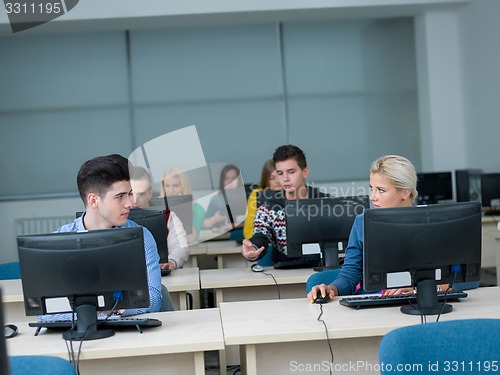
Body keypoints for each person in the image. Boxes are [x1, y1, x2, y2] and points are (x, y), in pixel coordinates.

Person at [307, 155, 479, 303]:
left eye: (381, 190)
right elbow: (350, 276)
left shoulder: (438, 222)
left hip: (426, 302)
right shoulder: (362, 223)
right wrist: (331, 289)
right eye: (372, 189)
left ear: (405, 193)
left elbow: (468, 278)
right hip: (376, 307)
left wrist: (427, 287)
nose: (373, 197)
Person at [54, 154, 171, 315]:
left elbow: (154, 299)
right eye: (120, 196)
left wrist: (108, 309)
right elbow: (47, 312)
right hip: (81, 336)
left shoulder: (142, 237)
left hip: (132, 334)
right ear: (93, 200)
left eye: (130, 194)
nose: (130, 203)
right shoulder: (59, 241)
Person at [241, 145, 329, 264]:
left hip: (323, 268)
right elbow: (260, 235)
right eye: (280, 173)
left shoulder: (326, 202)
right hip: (285, 269)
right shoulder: (268, 207)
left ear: (305, 172)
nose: (285, 179)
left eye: (291, 172)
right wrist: (253, 248)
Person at [130, 166, 190, 271]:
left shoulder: (168, 216)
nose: (135, 200)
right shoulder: (115, 219)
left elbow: (180, 246)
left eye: (141, 194)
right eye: (130, 194)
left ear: (150, 193)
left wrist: (171, 262)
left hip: (160, 274)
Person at [161, 165, 205, 244]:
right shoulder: (158, 208)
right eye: (167, 186)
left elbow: (190, 238)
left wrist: (182, 207)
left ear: (184, 186)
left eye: (176, 186)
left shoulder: (198, 209)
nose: (171, 190)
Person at [243, 159, 281, 239]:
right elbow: (248, 230)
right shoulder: (257, 195)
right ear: (266, 179)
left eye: (280, 176)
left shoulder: (294, 193)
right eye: (272, 178)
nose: (277, 181)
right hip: (263, 243)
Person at [203, 164, 242, 231]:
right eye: (227, 178)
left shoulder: (248, 198)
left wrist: (234, 225)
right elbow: (204, 225)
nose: (230, 181)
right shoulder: (216, 200)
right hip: (223, 236)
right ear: (222, 181)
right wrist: (215, 219)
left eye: (234, 178)